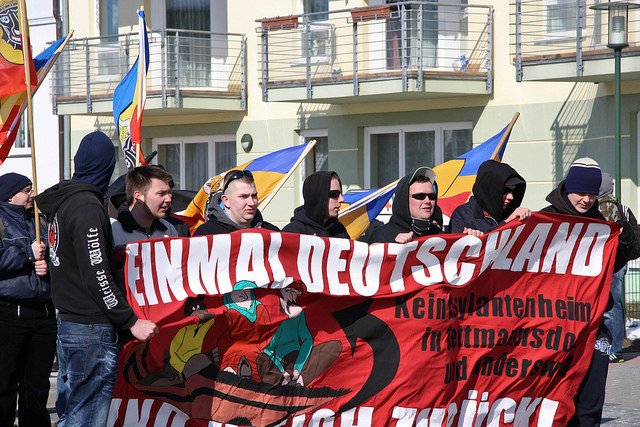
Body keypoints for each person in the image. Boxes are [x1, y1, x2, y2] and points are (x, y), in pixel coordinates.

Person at [35, 131, 158, 427]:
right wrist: (130, 321)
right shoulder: (88, 206)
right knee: (87, 417)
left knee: (74, 412)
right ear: (106, 166)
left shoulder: (63, 203)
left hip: (70, 323)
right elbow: (96, 273)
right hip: (90, 329)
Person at [541, 157, 640, 427]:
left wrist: (625, 232)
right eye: (581, 192)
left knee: (591, 403)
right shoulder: (547, 217)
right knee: (557, 402)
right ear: (568, 189)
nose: (586, 199)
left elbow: (623, 255)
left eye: (592, 193)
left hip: (594, 324)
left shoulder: (601, 219)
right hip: (555, 325)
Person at [0, 173, 56, 427]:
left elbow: (55, 254)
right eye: (26, 190)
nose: (31, 195)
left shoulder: (39, 220)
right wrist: (27, 254)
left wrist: (48, 265)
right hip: (10, 313)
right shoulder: (1, 221)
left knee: (37, 386)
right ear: (10, 195)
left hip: (43, 313)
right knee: (5, 383)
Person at [598, 172, 637, 363]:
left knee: (611, 306)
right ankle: (614, 348)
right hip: (619, 262)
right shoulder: (622, 207)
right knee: (614, 305)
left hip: (610, 263)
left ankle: (613, 349)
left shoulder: (605, 207)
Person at [449, 159, 531, 235]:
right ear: (490, 190)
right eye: (505, 191)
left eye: (513, 192)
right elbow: (456, 248)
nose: (511, 197)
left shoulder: (512, 213)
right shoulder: (463, 215)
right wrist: (507, 223)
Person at [367, 167, 443, 244]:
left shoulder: (442, 238)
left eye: (432, 197)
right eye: (420, 196)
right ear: (404, 199)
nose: (427, 201)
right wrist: (394, 247)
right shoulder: (382, 236)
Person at [193, 169, 279, 236]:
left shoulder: (272, 233)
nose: (251, 203)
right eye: (243, 196)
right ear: (226, 201)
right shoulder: (206, 234)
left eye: (254, 196)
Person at [111, 166, 179, 248]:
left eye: (169, 192)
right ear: (139, 196)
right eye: (161, 193)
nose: (168, 199)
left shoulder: (169, 230)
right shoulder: (111, 230)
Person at [282, 171, 349, 238]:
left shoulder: (340, 230)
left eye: (341, 193)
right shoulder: (292, 233)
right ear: (318, 197)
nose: (342, 199)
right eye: (334, 194)